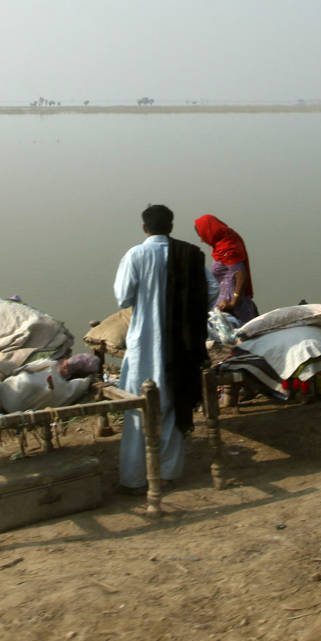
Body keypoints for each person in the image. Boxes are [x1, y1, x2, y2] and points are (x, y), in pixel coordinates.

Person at [113, 203, 210, 494]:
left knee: (137, 409)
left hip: (145, 343)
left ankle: (134, 478)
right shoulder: (190, 254)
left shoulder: (136, 255)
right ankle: (166, 474)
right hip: (182, 343)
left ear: (145, 227)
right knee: (171, 404)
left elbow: (123, 296)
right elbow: (213, 290)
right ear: (171, 226)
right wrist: (190, 314)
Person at [194, 214, 259, 323]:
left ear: (209, 231)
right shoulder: (224, 244)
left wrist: (233, 302)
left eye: (202, 235)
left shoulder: (227, 248)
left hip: (232, 308)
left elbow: (241, 276)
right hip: (224, 304)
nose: (202, 240)